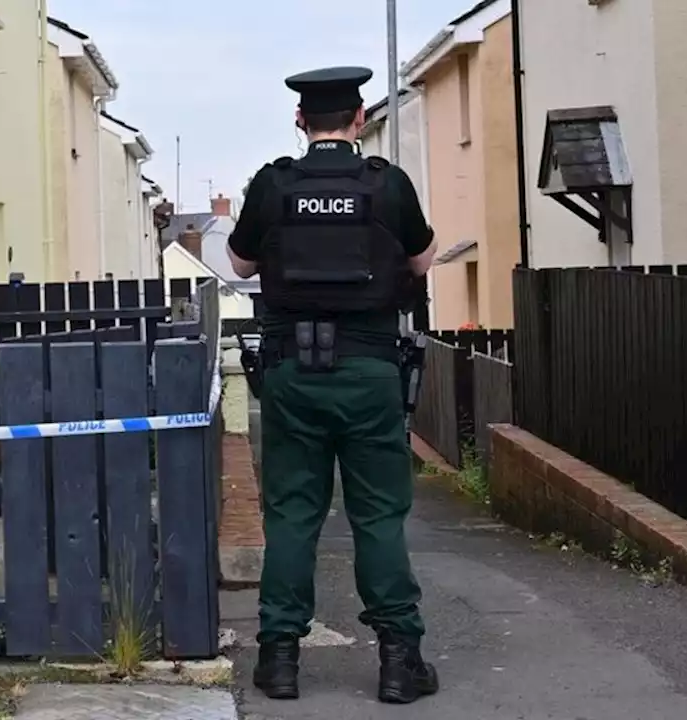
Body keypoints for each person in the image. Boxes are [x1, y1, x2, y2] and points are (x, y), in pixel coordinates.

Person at [226, 66, 440, 704]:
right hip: (371, 370)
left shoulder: (273, 185)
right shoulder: (387, 184)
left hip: (293, 371)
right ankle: (400, 663)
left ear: (300, 122)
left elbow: (238, 264)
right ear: (360, 120)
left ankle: (279, 662)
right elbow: (422, 260)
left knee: (292, 514)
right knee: (377, 515)